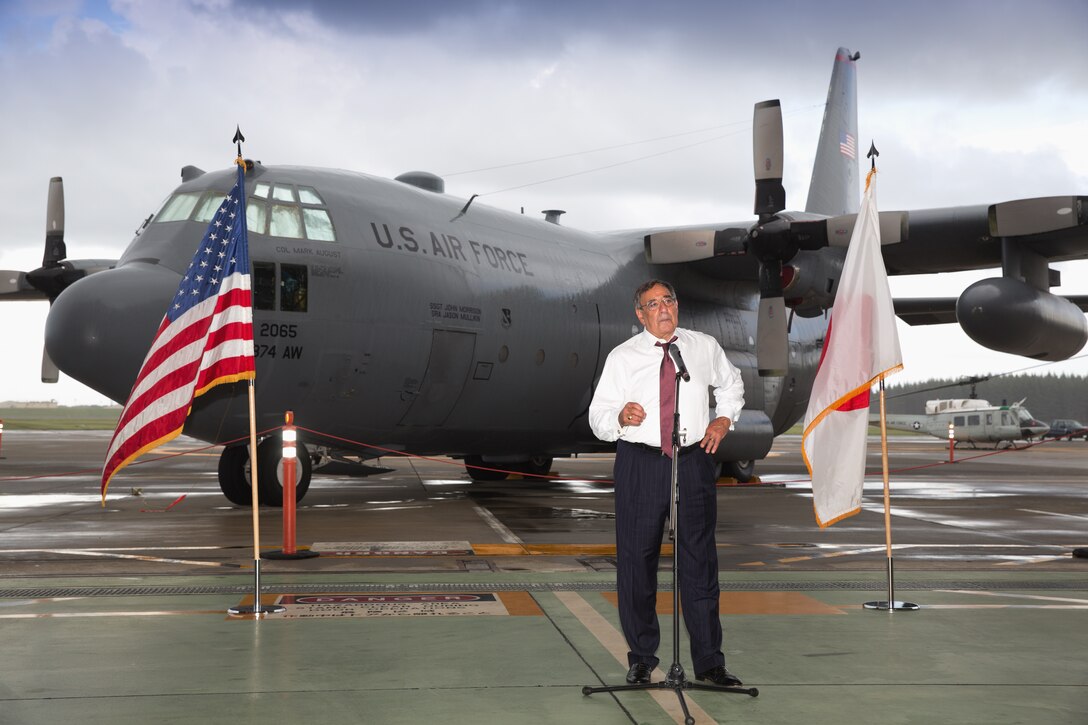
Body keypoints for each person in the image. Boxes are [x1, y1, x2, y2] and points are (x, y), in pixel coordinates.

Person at [589, 278, 745, 687]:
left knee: (699, 563)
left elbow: (732, 385)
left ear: (677, 305)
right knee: (637, 563)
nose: (662, 309)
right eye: (652, 303)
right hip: (641, 463)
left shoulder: (702, 347)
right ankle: (642, 658)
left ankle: (709, 663)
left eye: (668, 300)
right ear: (640, 315)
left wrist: (724, 418)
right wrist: (619, 417)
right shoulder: (622, 358)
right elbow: (598, 415)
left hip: (693, 460)